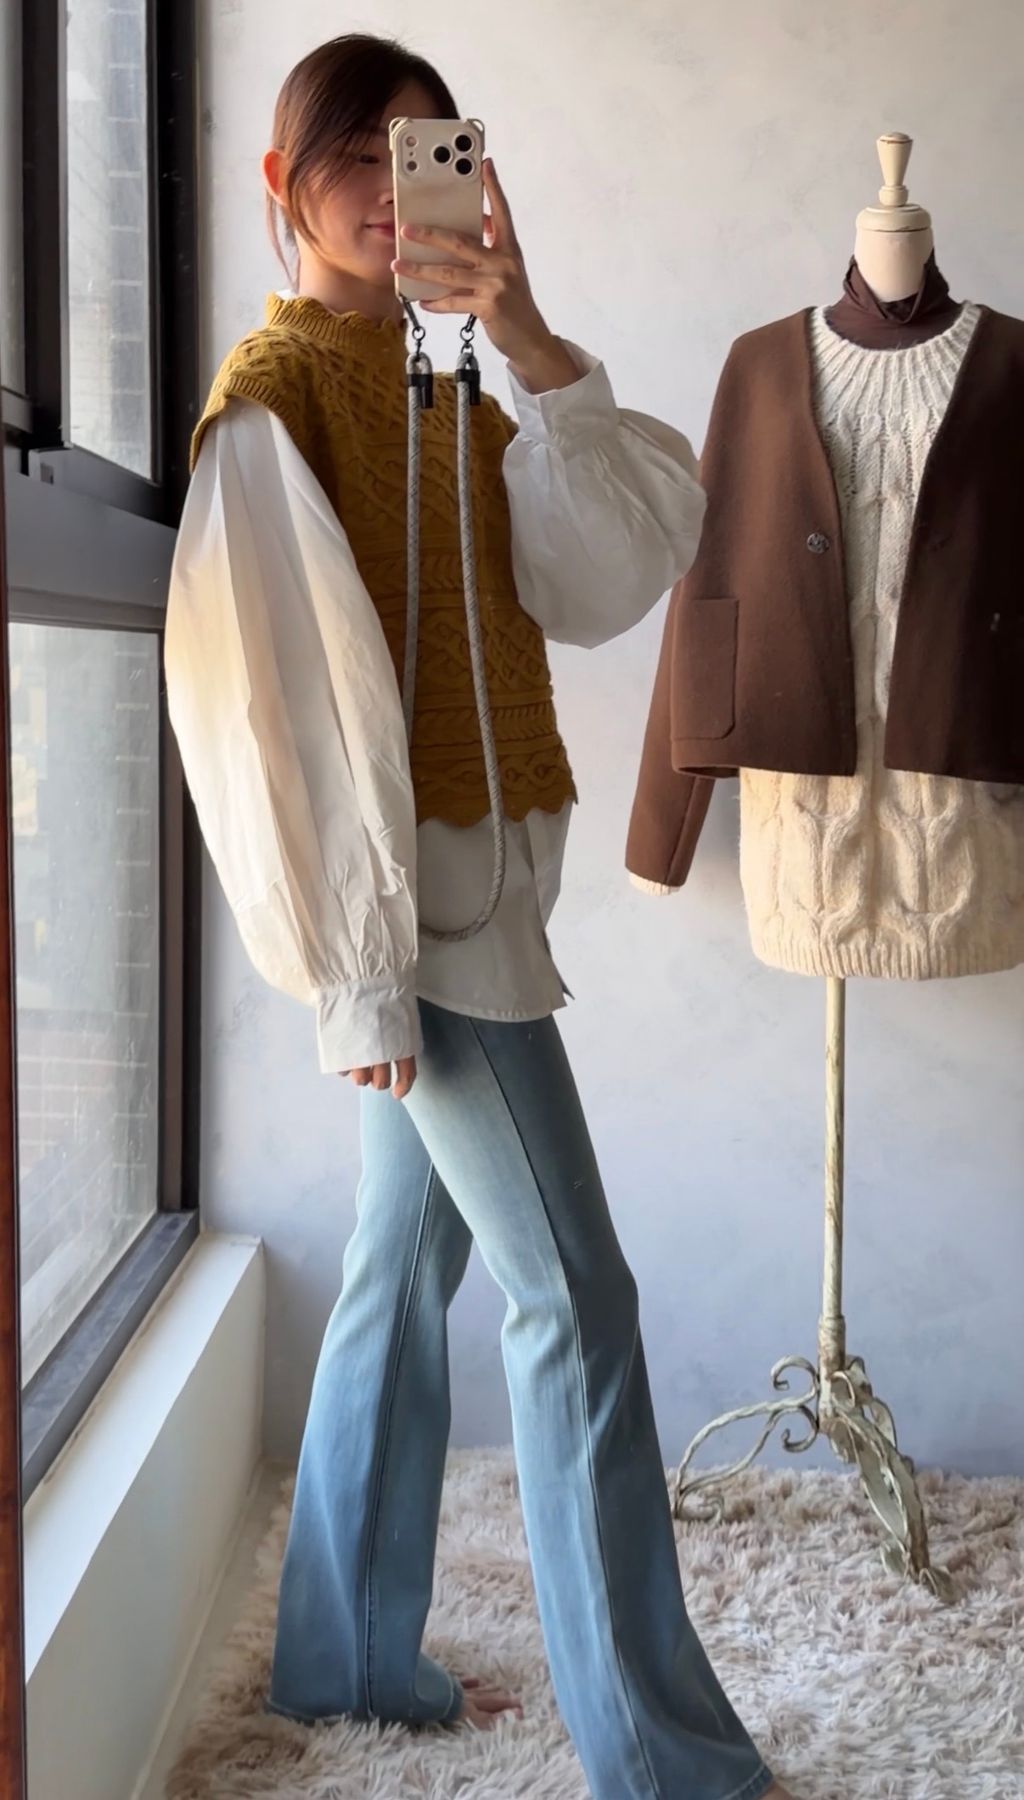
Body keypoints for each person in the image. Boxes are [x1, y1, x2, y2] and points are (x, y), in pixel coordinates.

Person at [164, 32, 792, 1800]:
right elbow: (274, 721)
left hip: (479, 890)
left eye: (422, 152)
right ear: (279, 185)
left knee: (406, 1259)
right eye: (352, 156)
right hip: (424, 925)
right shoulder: (273, 404)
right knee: (577, 1298)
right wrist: (357, 983)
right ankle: (664, 1762)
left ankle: (346, 1655)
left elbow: (605, 573)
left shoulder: (442, 379)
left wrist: (524, 334)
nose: (389, 187)